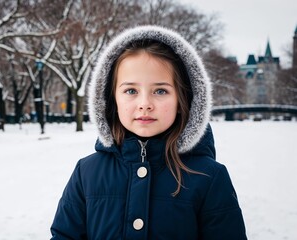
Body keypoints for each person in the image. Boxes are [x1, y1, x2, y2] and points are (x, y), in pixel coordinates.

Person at [50, 25, 247, 239]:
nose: (145, 104)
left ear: (182, 100)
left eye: (160, 91)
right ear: (112, 100)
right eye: (131, 91)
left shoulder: (210, 177)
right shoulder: (87, 172)